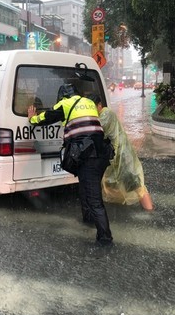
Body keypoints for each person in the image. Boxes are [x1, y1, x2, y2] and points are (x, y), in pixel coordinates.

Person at [27, 84, 113, 247]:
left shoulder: (65, 104)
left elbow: (46, 118)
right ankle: (87, 218)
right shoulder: (88, 102)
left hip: (88, 156)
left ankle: (105, 238)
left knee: (94, 198)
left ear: (63, 97)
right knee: (84, 186)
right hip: (100, 153)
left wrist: (32, 118)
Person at [91, 95, 154, 211]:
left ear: (99, 105)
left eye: (93, 107)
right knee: (112, 183)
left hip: (122, 155)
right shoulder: (102, 115)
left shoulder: (106, 113)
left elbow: (99, 130)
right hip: (115, 156)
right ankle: (120, 209)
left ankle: (150, 211)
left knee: (135, 184)